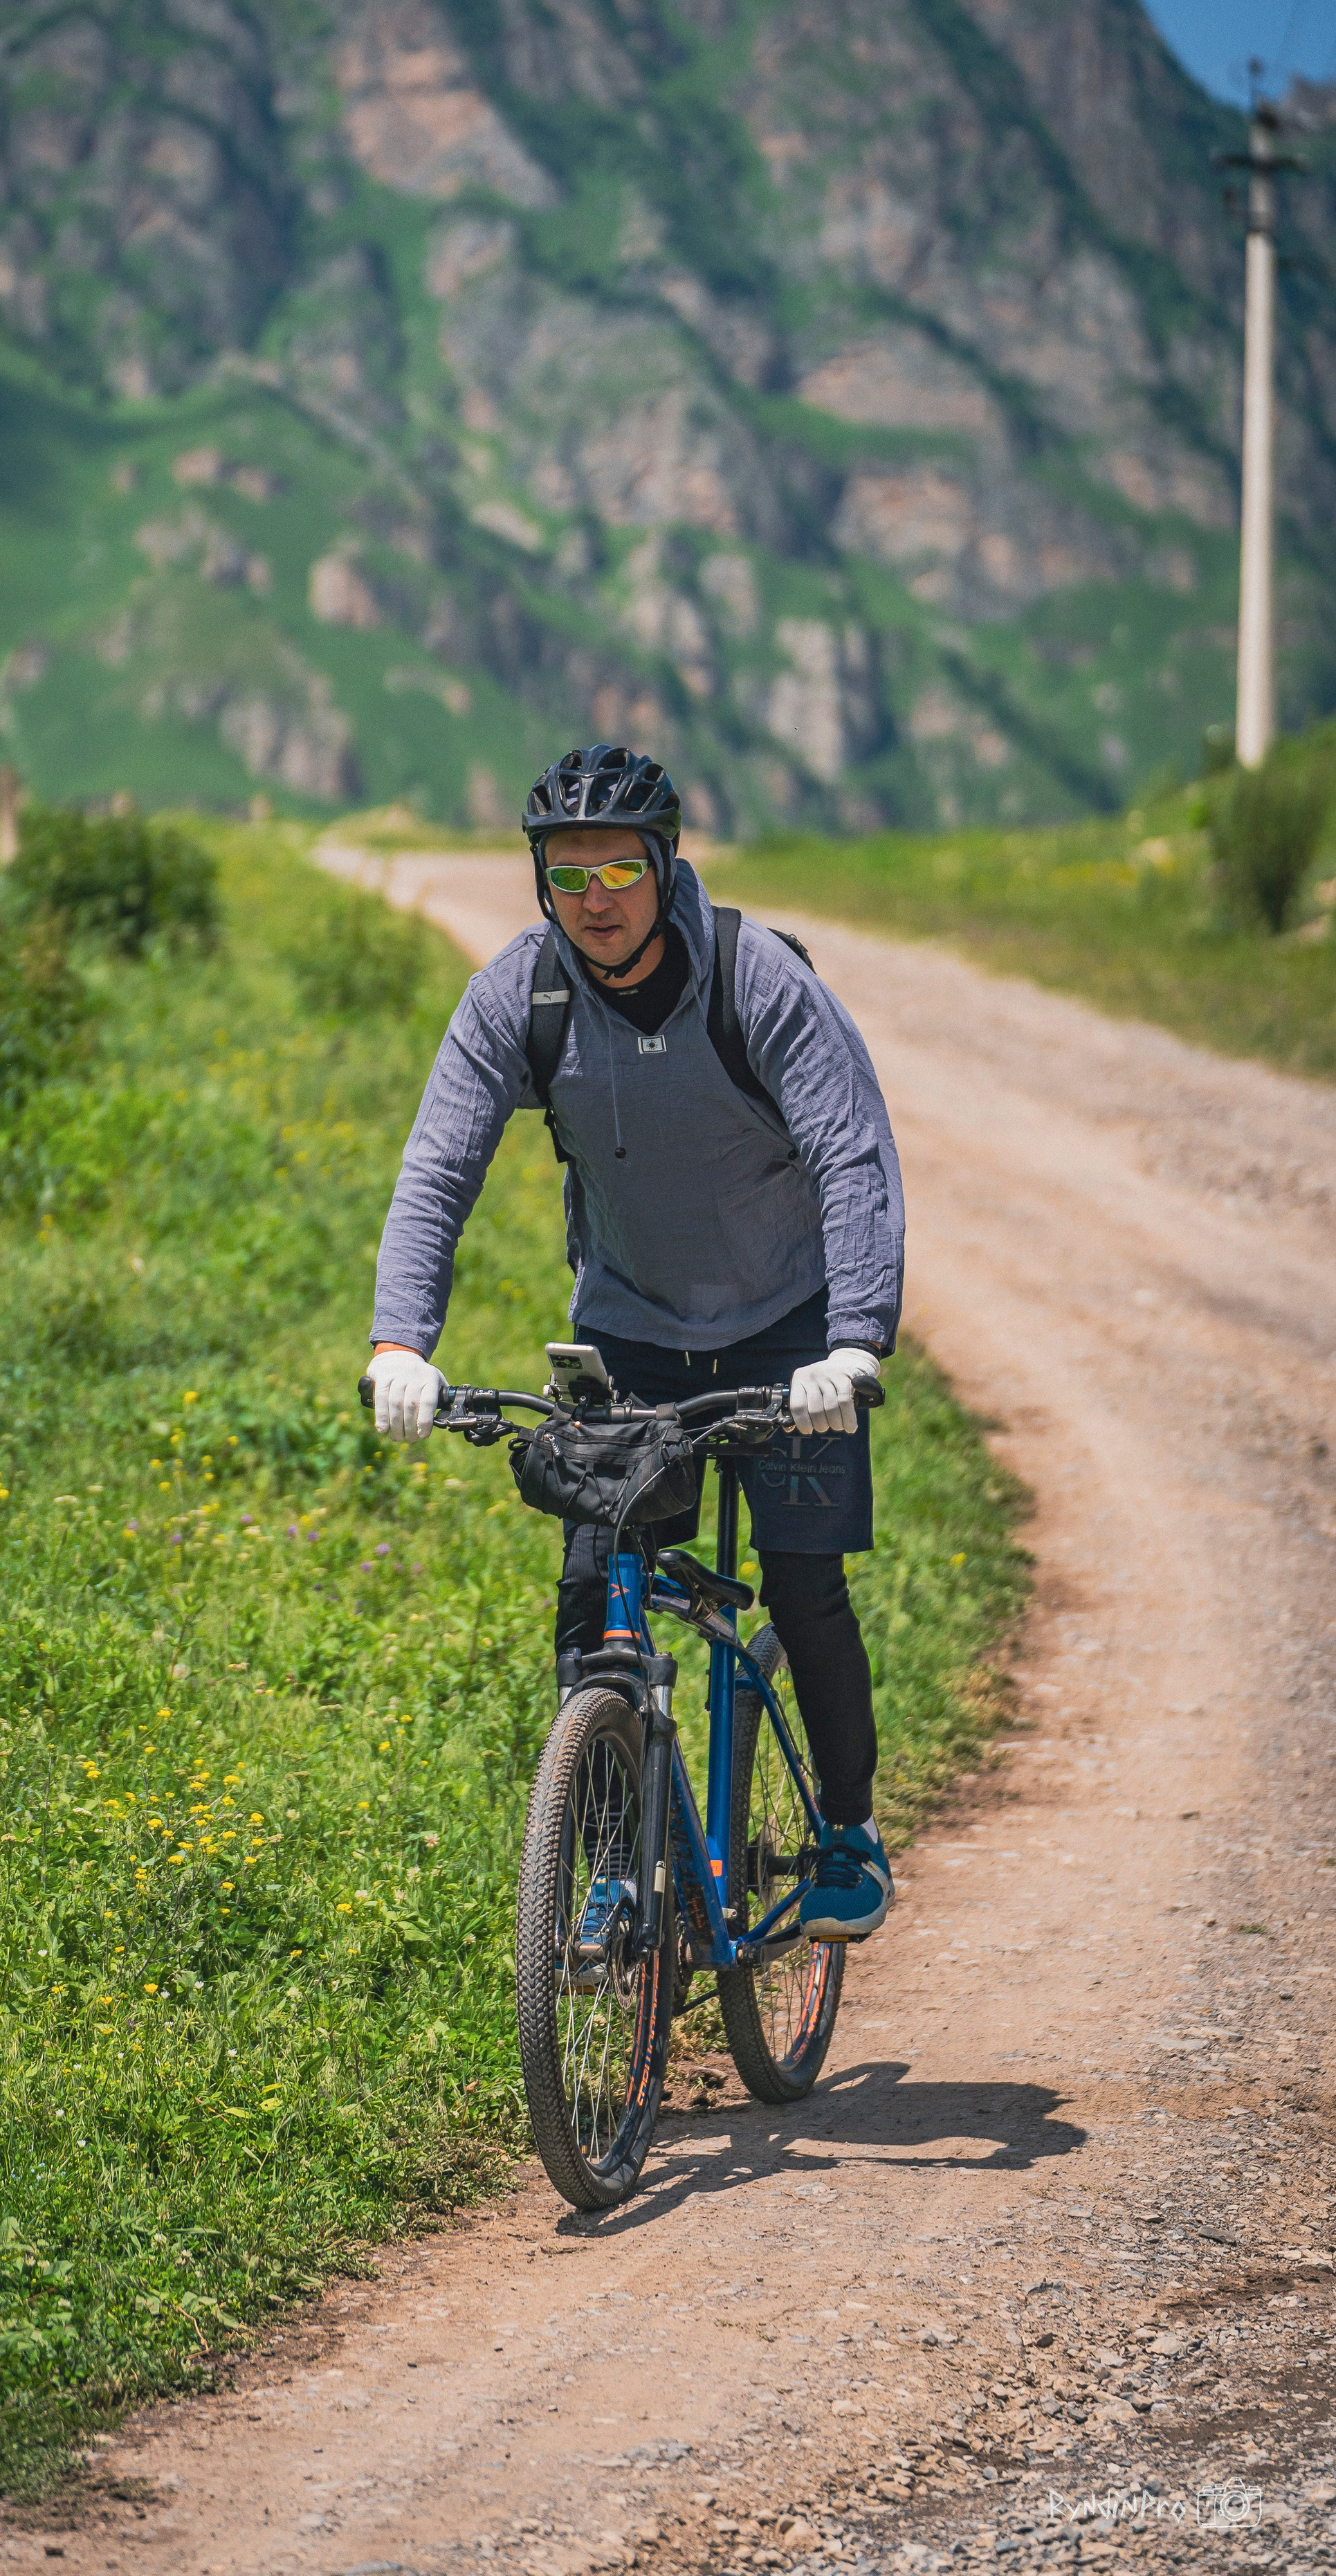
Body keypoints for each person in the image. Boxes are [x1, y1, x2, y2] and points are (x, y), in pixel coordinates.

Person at [365, 745, 906, 1940]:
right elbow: (437, 1169)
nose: (595, 895)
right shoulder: (522, 993)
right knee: (596, 1599)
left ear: (665, 865)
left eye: (619, 866)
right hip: (631, 1335)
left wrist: (855, 1340)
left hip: (792, 1330)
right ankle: (616, 1864)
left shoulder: (754, 978)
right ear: (541, 883)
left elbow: (852, 1155)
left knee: (806, 1584)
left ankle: (849, 1836)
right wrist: (401, 1342)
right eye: (568, 873)